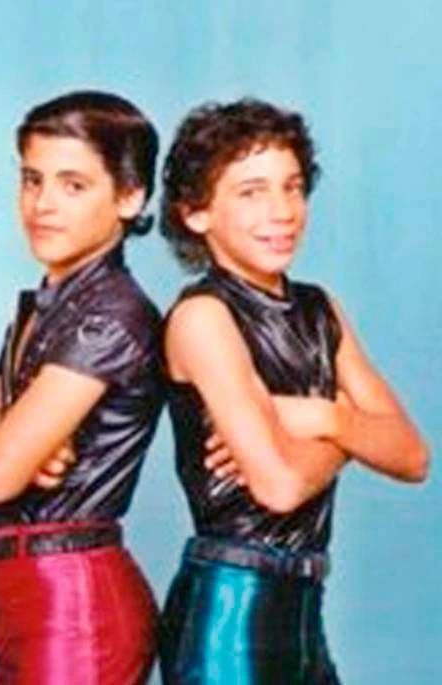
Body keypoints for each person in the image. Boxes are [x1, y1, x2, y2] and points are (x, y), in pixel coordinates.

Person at [156, 98, 429, 684]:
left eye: (293, 187)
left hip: (305, 608)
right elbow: (278, 487)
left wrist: (321, 417)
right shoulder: (203, 317)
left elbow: (412, 456)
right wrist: (353, 430)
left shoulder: (319, 309)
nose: (281, 211)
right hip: (230, 611)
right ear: (196, 213)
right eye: (251, 192)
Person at [0, 91, 165, 685]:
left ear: (130, 197)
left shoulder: (110, 315)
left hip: (74, 602)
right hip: (23, 592)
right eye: (32, 180)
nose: (42, 204)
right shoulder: (39, 307)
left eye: (73, 185)